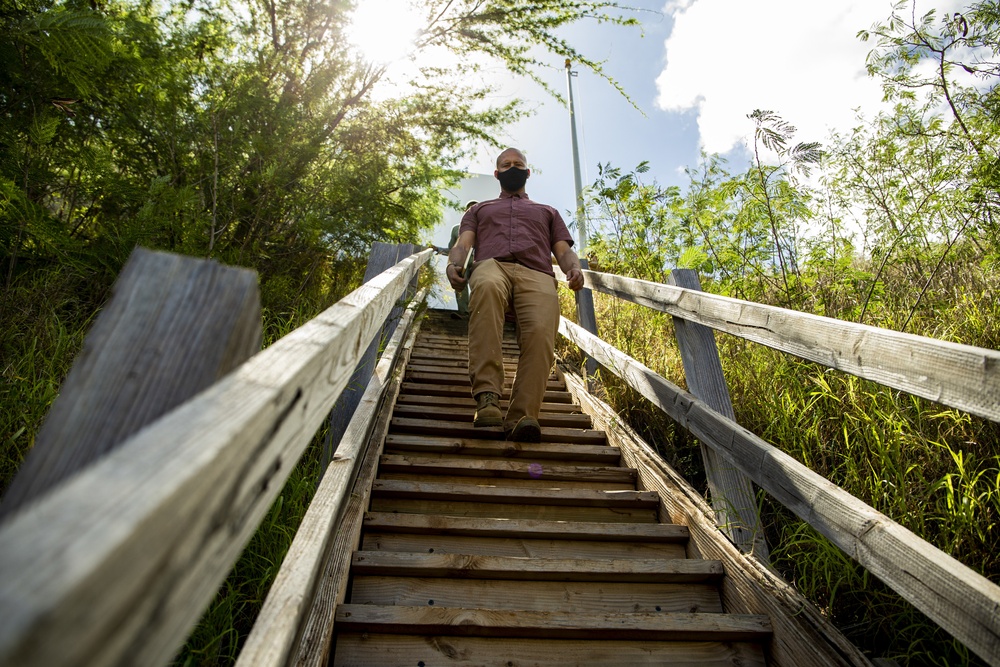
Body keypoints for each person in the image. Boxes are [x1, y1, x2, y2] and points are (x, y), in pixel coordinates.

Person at [446, 147, 585, 442]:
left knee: (540, 332)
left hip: (537, 273)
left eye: (518, 164)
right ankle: (487, 398)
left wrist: (573, 269)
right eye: (506, 165)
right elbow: (463, 242)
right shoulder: (479, 209)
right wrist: (454, 264)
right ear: (497, 174)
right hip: (491, 265)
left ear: (527, 172)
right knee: (484, 286)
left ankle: (523, 414)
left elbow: (563, 250)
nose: (513, 167)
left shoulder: (547, 212)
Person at [446, 200, 477, 318]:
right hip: (461, 262)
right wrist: (438, 250)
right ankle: (463, 312)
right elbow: (451, 249)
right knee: (460, 286)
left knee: (478, 286)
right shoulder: (456, 229)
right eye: (469, 209)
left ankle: (475, 313)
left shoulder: (484, 229)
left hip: (478, 262)